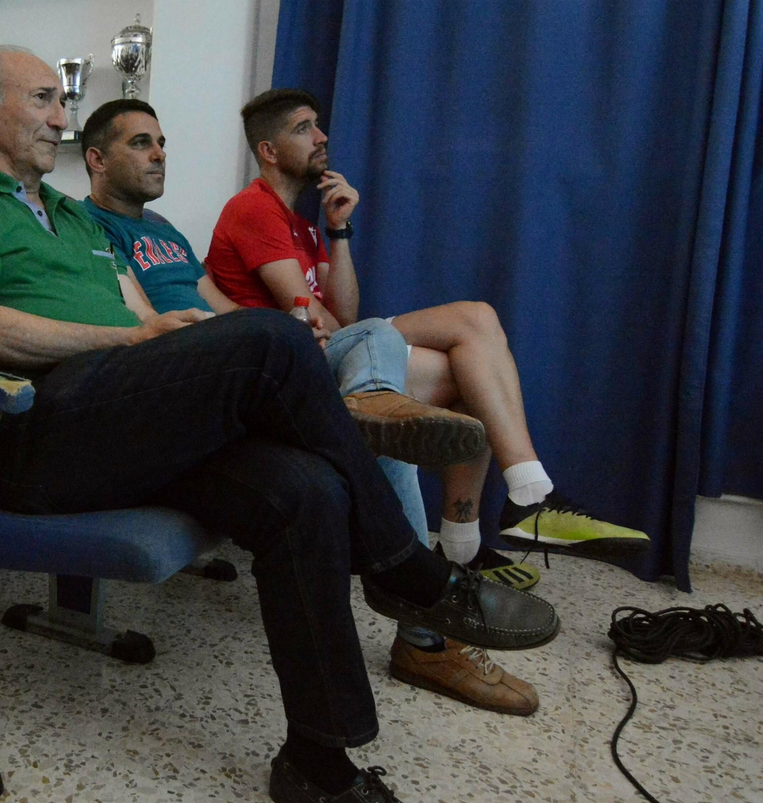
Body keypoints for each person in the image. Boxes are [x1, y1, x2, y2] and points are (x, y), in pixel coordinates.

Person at [0, 45, 560, 803]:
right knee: (273, 339)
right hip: (28, 429)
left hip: (117, 416)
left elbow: (147, 317)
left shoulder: (73, 217)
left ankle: (319, 767)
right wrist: (159, 342)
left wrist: (215, 360)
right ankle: (406, 568)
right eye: (43, 100)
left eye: (64, 101)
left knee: (304, 490)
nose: (61, 117)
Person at [80, 98, 538, 716]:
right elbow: (138, 318)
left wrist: (289, 333)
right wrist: (273, 337)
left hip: (260, 357)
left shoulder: (165, 233)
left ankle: (436, 597)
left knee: (383, 392)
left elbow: (226, 306)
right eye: (141, 143)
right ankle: (431, 626)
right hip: (200, 375)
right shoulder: (91, 226)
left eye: (161, 142)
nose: (160, 154)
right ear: (95, 160)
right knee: (386, 388)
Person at [206, 88, 650, 572]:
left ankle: (483, 529)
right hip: (293, 375)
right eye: (302, 128)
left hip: (334, 350)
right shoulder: (254, 208)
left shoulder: (302, 226)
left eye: (317, 124)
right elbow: (316, 315)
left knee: (475, 349)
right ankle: (522, 502)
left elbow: (346, 315)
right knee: (474, 349)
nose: (321, 136)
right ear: (267, 151)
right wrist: (339, 317)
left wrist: (338, 232)